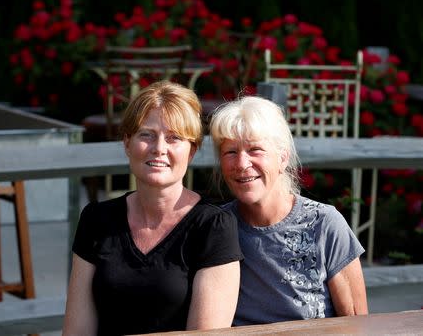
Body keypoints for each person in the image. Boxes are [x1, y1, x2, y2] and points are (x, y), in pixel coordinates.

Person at [63, 81, 243, 336]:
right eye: (146, 134)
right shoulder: (96, 220)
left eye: (174, 138)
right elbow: (77, 332)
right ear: (127, 143)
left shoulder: (213, 227)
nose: (159, 148)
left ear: (191, 151)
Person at [209, 95, 368, 326]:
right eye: (230, 152)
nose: (242, 164)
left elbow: (357, 325)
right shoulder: (217, 228)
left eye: (255, 150)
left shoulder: (324, 223)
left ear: (282, 158)